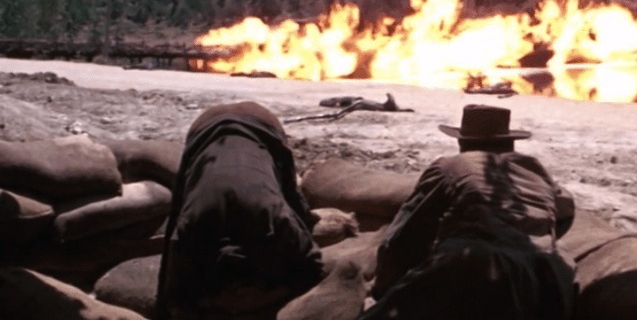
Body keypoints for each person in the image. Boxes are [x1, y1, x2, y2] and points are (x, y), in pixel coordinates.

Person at [360, 104, 576, 320]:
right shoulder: (534, 169)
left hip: (479, 263)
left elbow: (404, 237)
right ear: (510, 142)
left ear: (462, 142)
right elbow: (565, 206)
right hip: (546, 276)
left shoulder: (451, 166)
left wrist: (383, 291)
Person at [156, 102, 323, 319]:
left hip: (244, 123)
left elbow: (312, 265)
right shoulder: (193, 225)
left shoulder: (272, 217)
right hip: (228, 124)